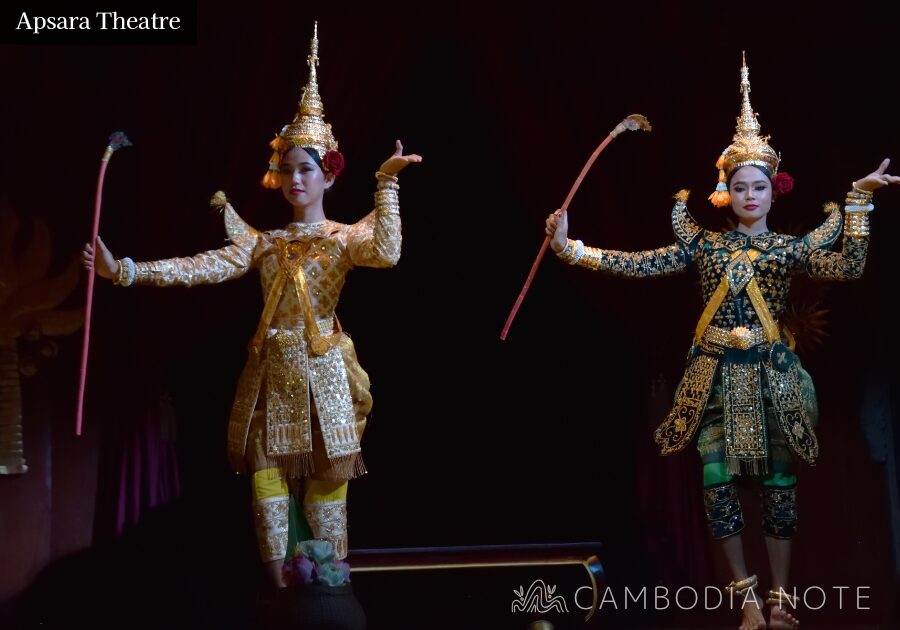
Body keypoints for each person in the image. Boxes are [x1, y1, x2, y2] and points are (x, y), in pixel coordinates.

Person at [545, 55, 897, 630]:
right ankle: (746, 601)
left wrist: (858, 202)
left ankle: (781, 598)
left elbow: (850, 266)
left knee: (779, 488)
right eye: (739, 187)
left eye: (758, 186)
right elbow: (641, 263)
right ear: (725, 192)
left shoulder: (789, 249)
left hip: (773, 375)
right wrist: (571, 248)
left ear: (774, 191)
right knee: (717, 484)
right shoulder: (704, 246)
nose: (750, 195)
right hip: (712, 374)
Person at [82, 23, 421, 589]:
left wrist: (386, 184)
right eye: (287, 168)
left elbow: (387, 251)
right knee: (266, 482)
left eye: (306, 168)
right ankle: (280, 590)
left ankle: (329, 589)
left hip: (325, 372)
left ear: (329, 173)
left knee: (327, 482)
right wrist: (127, 271)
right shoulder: (263, 244)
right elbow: (201, 266)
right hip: (270, 373)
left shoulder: (344, 238)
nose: (294, 178)